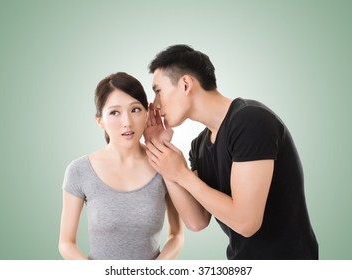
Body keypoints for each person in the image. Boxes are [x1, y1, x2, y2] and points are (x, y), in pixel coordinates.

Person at [144, 44, 318, 260]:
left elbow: (246, 223)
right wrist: (162, 155)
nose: (155, 105)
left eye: (158, 91)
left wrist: (182, 174)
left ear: (186, 84)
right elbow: (197, 221)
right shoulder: (199, 145)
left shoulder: (250, 120)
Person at [58, 72, 183, 260]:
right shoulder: (79, 170)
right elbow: (66, 243)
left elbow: (177, 236)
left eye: (135, 110)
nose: (127, 122)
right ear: (100, 120)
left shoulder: (164, 162)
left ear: (147, 113)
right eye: (114, 112)